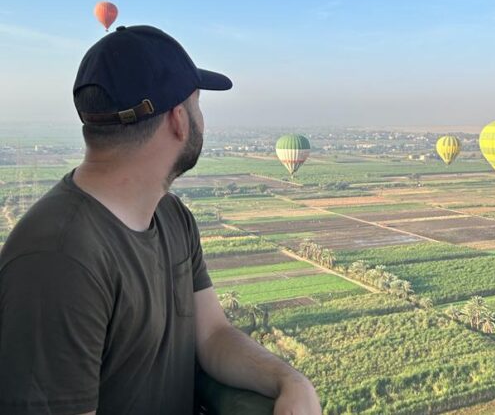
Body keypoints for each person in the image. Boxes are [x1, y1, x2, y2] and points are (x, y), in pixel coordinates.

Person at [0, 25, 321, 415]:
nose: (203, 120)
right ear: (178, 120)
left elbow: (212, 335)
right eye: (198, 103)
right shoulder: (56, 260)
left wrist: (288, 380)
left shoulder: (171, 216)